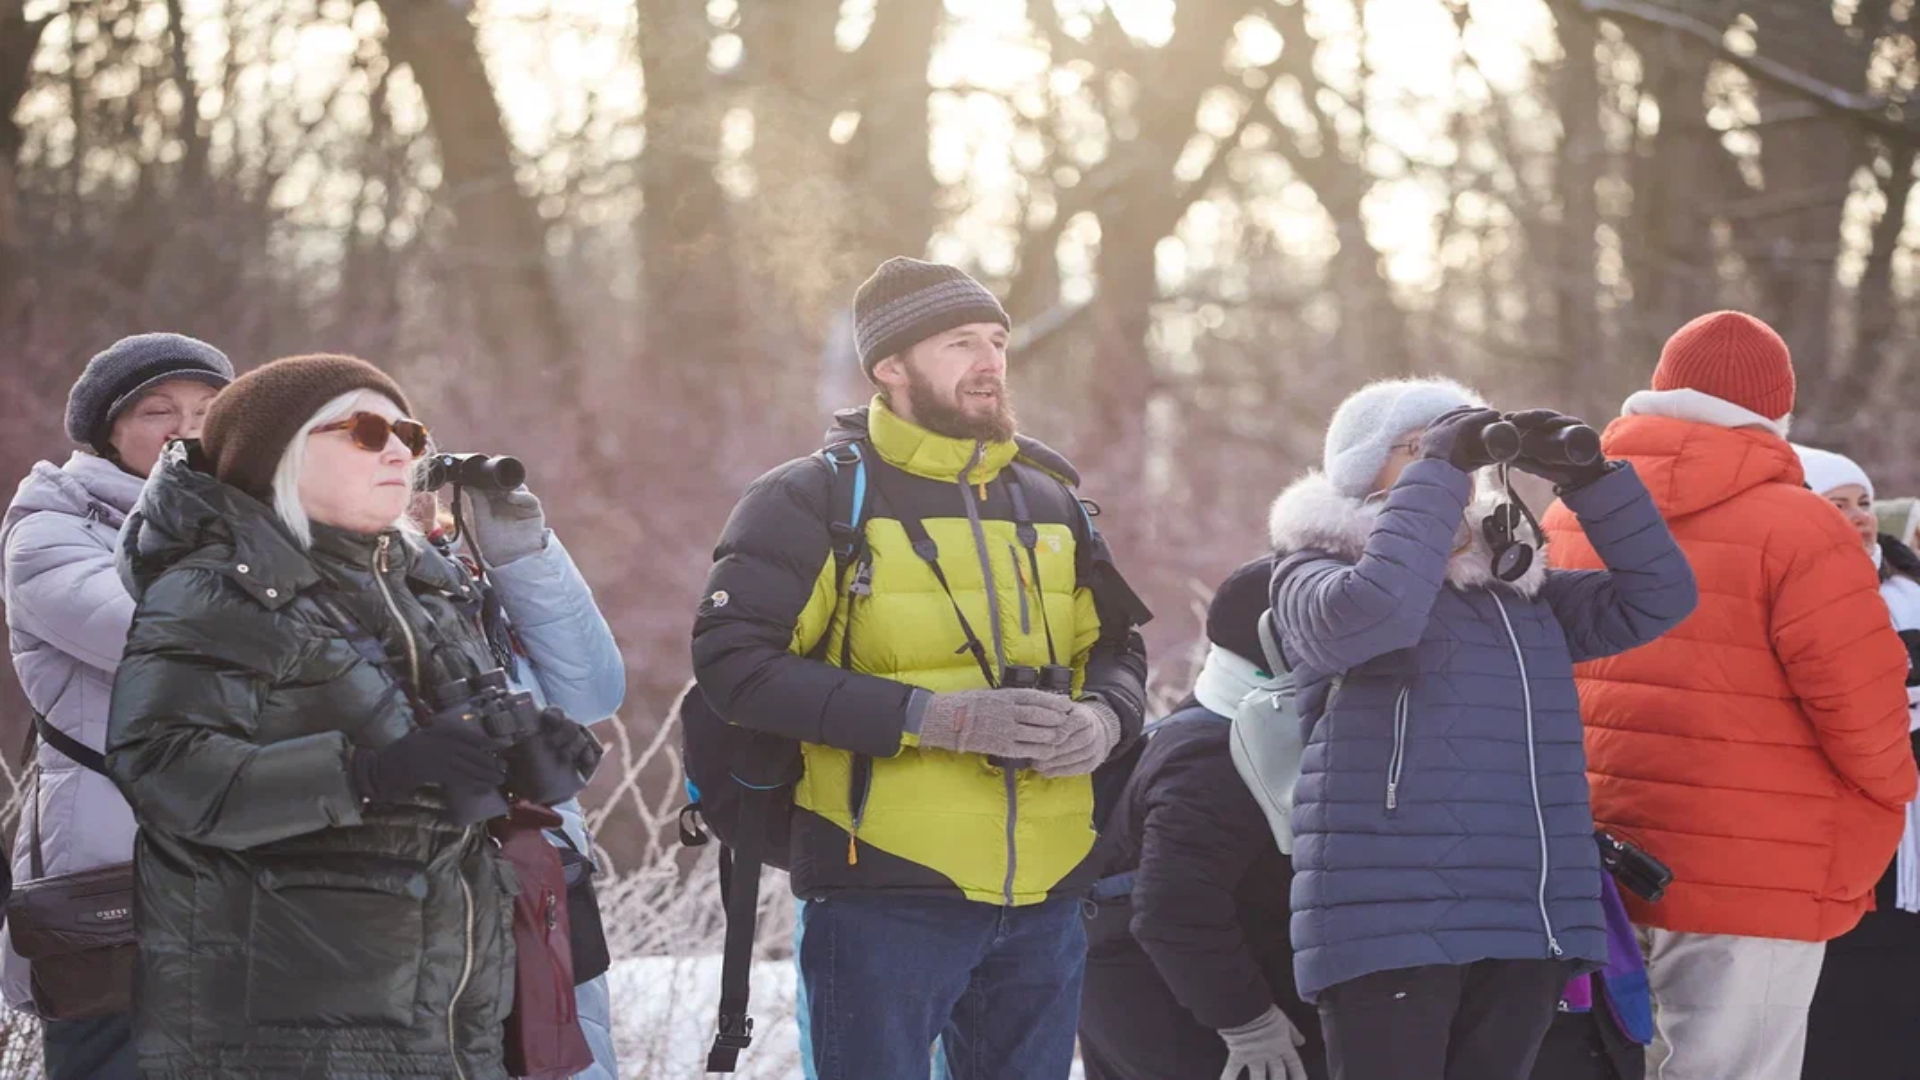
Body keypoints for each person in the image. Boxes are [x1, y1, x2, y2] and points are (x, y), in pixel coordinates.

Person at [691, 257, 1150, 1080]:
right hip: (883, 892)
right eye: (959, 342)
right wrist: (936, 718)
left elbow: (1117, 647)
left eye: (998, 341)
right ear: (890, 368)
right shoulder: (810, 500)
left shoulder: (1052, 500)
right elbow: (735, 667)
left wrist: (1103, 719)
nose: (989, 361)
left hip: (1046, 895)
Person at [104, 354, 597, 1079]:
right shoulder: (214, 590)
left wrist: (532, 762)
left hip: (446, 1004)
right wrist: (364, 774)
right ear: (280, 456)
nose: (398, 448)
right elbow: (164, 771)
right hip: (284, 1023)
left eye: (407, 429)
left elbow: (445, 762)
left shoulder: (425, 582)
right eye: (364, 430)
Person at [1268, 377, 1695, 1080]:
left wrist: (1590, 480)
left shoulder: (1517, 591)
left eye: (1462, 449)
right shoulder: (1310, 570)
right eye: (1422, 447)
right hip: (1389, 920)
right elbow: (1376, 613)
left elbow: (1659, 598)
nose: (1455, 467)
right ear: (1361, 465)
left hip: (1524, 915)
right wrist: (1439, 470)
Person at [1541, 312, 1916, 1080]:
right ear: (1775, 409)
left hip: (1601, 851)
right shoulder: (1802, 527)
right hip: (1759, 863)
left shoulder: (1570, 514)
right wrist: (1882, 807)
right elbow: (1866, 708)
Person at [0, 332, 234, 1080]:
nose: (185, 428)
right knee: (114, 1059)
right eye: (157, 411)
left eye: (207, 411)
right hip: (115, 857)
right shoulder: (49, 531)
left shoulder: (252, 521)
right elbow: (154, 640)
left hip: (240, 848)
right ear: (108, 431)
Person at [1079, 554, 1326, 1080]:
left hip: (1161, 999)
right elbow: (1173, 907)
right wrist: (1248, 1022)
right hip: (1175, 1018)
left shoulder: (1222, 720)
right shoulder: (1213, 754)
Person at [436, 480, 626, 1080]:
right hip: (442, 901)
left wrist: (523, 559)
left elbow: (595, 692)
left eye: (418, 464)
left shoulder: (468, 581)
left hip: (547, 886)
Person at [1791, 444, 1920, 1080]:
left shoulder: (1909, 592)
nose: (1860, 516)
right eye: (1836, 504)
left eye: (1864, 502)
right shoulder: (1801, 594)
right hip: (1844, 839)